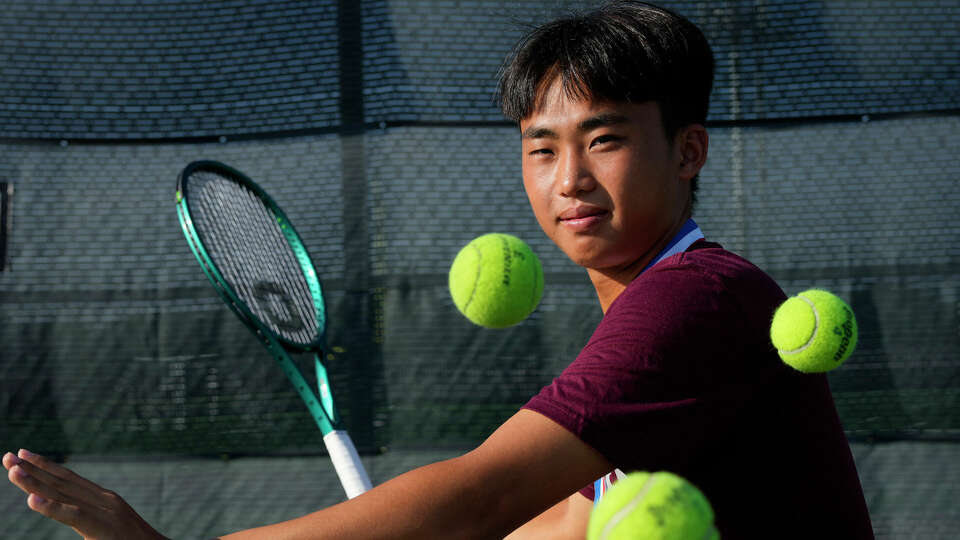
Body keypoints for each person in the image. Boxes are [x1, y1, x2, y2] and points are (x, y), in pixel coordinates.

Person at [4, 2, 874, 538]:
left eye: (603, 139)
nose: (568, 179)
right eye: (542, 148)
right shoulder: (661, 312)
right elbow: (560, 526)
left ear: (688, 151)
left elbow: (474, 502)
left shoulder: (697, 298)